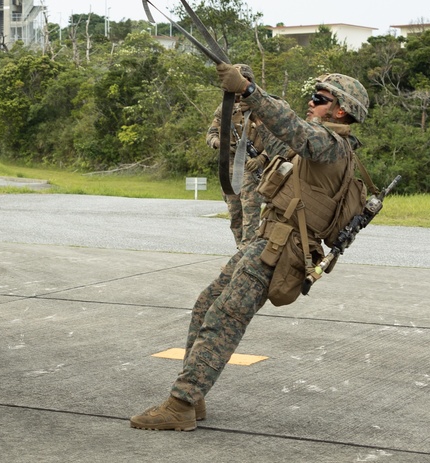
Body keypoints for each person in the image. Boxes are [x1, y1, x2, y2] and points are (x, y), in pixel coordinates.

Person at [131, 65, 370, 432]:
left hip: (281, 247)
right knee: (207, 303)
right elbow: (276, 128)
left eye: (320, 99)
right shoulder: (315, 144)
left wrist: (249, 90)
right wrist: (246, 94)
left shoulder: (329, 145)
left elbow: (293, 128)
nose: (311, 102)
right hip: (266, 238)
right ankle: (192, 398)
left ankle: (180, 403)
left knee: (225, 317)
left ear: (341, 111)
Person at [205, 63, 267, 245]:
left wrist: (261, 158)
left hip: (253, 166)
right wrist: (220, 143)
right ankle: (241, 249)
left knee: (251, 213)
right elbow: (210, 134)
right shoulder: (225, 107)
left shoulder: (263, 106)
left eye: (245, 80)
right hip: (231, 165)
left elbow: (279, 140)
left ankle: (248, 252)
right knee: (235, 214)